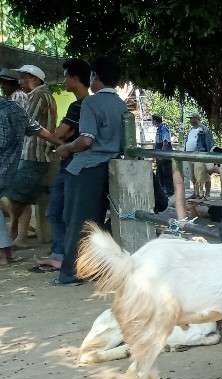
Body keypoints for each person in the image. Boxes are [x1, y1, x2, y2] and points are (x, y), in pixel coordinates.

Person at [53, 56, 128, 285]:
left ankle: (69, 274)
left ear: (95, 77)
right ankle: (95, 268)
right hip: (113, 167)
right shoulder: (122, 105)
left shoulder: (90, 104)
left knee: (75, 221)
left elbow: (86, 140)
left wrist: (66, 147)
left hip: (87, 168)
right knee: (99, 221)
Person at [33, 59, 91, 272]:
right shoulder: (88, 104)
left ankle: (62, 256)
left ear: (74, 78)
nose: (64, 80)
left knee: (58, 211)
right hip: (78, 165)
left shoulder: (79, 105)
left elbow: (59, 134)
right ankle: (63, 254)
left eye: (66, 76)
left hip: (72, 165)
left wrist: (37, 130)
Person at [0, 91, 60, 265]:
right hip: (9, 169)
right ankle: (7, 253)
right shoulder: (16, 111)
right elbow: (41, 131)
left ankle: (4, 255)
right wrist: (63, 145)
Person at [6, 64, 57, 248]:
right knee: (21, 197)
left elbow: (27, 124)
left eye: (23, 77)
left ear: (34, 79)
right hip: (34, 153)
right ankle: (20, 236)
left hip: (32, 154)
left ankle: (11, 233)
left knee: (16, 197)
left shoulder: (37, 95)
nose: (19, 81)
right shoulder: (43, 95)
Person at [183, 112, 213, 199]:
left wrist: (209, 157)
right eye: (190, 118)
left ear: (197, 118)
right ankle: (196, 193)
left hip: (200, 155)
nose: (190, 120)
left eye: (192, 118)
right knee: (193, 175)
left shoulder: (204, 130)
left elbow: (209, 143)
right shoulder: (190, 130)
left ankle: (207, 194)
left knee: (204, 175)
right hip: (190, 155)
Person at [152, 114, 174, 204]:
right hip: (159, 152)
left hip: (164, 153)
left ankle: (169, 191)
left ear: (156, 120)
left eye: (152, 120)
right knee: (160, 172)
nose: (151, 122)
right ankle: (162, 191)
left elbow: (165, 141)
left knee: (166, 172)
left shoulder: (163, 127)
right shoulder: (159, 129)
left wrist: (162, 153)